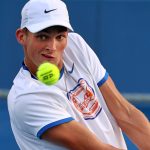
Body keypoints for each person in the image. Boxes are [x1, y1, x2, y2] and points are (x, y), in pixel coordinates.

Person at [7, 0, 150, 150]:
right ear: (21, 36)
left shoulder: (75, 46)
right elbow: (93, 148)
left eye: (60, 37)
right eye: (43, 37)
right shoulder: (26, 98)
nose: (52, 47)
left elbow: (124, 112)